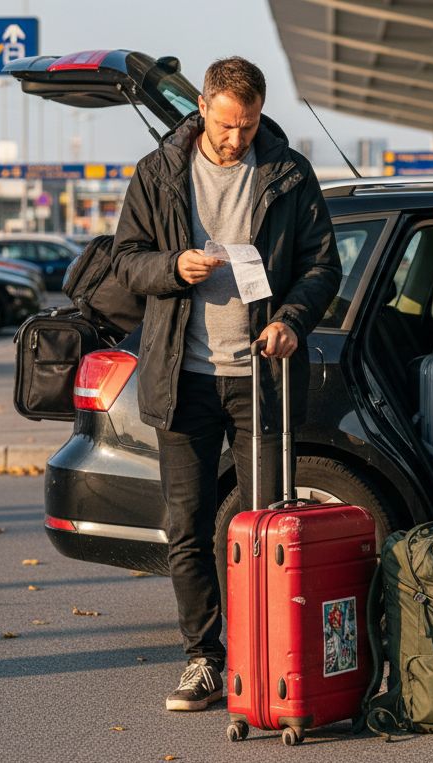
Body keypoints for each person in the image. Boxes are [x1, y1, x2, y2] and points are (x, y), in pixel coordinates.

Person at [111, 56, 341, 712]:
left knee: (263, 521)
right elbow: (125, 261)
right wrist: (170, 266)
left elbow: (323, 265)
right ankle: (202, 661)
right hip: (182, 377)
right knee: (185, 523)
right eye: (225, 125)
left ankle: (261, 655)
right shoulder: (158, 172)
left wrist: (293, 319)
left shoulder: (289, 173)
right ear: (204, 107)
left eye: (247, 126)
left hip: (260, 377)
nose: (235, 138)